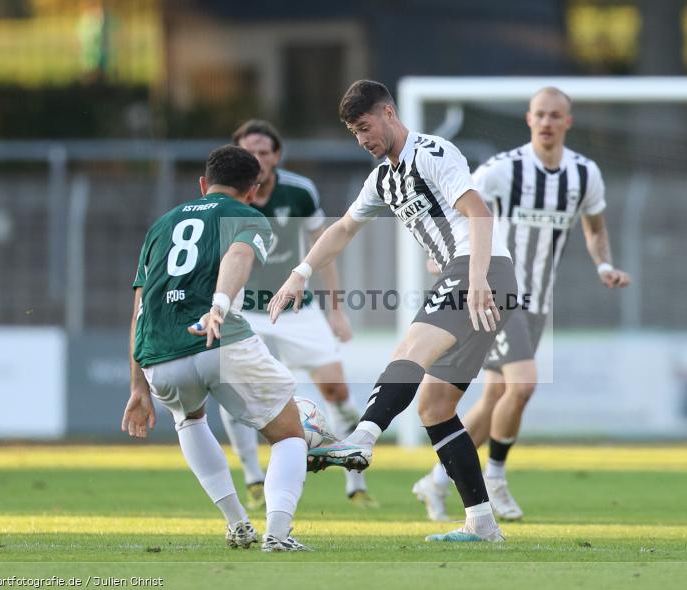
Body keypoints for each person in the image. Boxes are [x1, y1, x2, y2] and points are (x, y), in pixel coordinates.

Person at [269, 80, 517, 543]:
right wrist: (299, 273)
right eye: (353, 133)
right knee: (435, 406)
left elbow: (479, 214)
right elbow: (343, 228)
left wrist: (478, 277)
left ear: (388, 112)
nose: (362, 139)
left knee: (410, 346)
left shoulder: (433, 153)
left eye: (365, 127)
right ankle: (481, 523)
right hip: (471, 275)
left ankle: (361, 439)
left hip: (480, 272)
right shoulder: (383, 178)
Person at [412, 87, 631, 522]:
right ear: (529, 120)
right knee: (524, 384)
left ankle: (435, 482)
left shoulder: (585, 175)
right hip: (498, 292)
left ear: (567, 122)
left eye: (555, 116)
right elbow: (460, 210)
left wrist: (604, 263)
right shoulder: (502, 170)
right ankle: (494, 478)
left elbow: (594, 227)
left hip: (538, 301)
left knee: (496, 398)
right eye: (539, 115)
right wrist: (443, 253)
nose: (547, 122)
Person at [122, 145, 308, 552]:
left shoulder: (161, 226)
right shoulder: (248, 216)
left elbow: (140, 308)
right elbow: (239, 256)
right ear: (253, 190)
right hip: (219, 341)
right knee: (291, 435)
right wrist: (219, 306)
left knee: (189, 420)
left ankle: (237, 524)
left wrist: (137, 387)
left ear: (203, 184)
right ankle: (277, 532)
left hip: (159, 355)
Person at [216, 119, 376, 510]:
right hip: (246, 312)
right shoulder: (230, 200)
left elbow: (324, 248)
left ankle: (355, 479)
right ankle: (253, 475)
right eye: (250, 151)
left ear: (277, 156)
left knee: (337, 390)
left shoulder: (300, 192)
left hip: (298, 310)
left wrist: (335, 311)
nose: (259, 158)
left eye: (265, 151)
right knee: (234, 392)